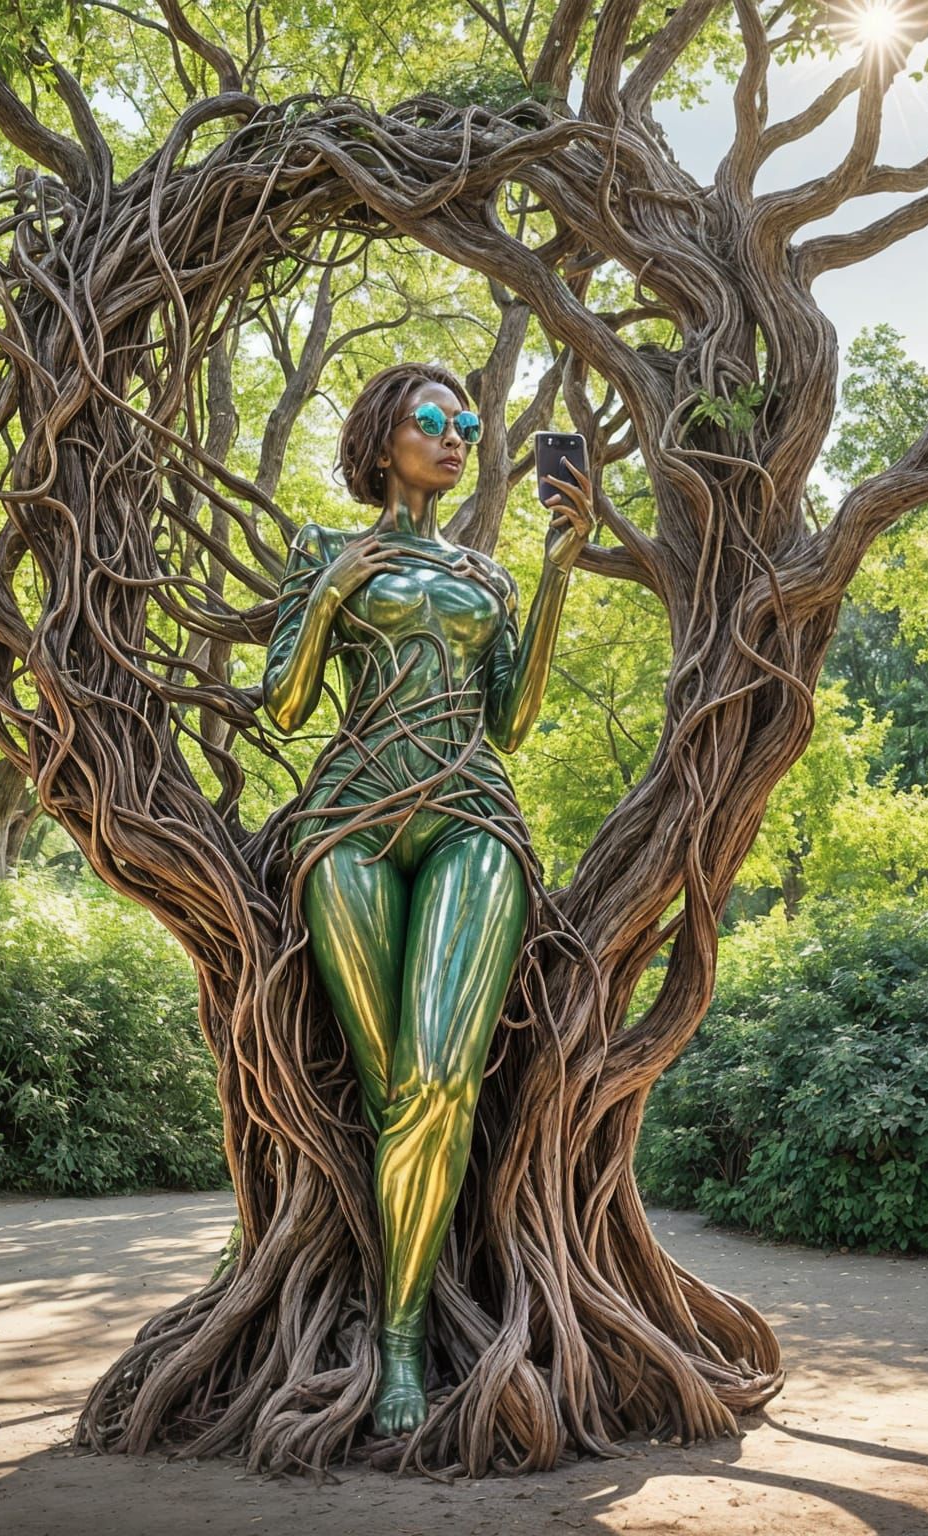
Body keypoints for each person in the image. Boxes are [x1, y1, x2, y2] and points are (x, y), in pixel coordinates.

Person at [261, 362, 594, 1435]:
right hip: (351, 821)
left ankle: (402, 1344)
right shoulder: (327, 551)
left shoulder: (486, 578)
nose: (456, 438)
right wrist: (333, 587)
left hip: (470, 813)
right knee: (387, 1086)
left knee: (439, 1081)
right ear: (382, 438)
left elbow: (515, 721)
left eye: (467, 425)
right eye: (432, 422)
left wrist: (554, 572)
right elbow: (285, 701)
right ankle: (375, 1307)